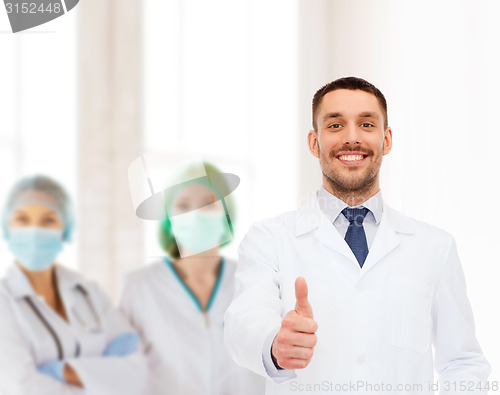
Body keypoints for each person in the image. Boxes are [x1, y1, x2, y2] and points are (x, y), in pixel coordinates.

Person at [224, 77, 491, 395]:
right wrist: (274, 345)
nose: (352, 138)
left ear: (386, 139)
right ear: (314, 142)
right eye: (335, 126)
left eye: (366, 124)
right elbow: (242, 324)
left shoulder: (435, 246)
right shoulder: (269, 238)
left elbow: (463, 363)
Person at [120, 162, 265, 395]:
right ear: (169, 220)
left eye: (208, 204)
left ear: (226, 215)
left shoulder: (255, 283)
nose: (195, 214)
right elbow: (123, 373)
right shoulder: (140, 286)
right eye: (183, 205)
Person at [0, 175, 149, 395]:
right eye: (22, 219)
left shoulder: (88, 291)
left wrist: (60, 371)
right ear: (6, 228)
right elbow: (20, 387)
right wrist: (103, 378)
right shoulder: (5, 299)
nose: (34, 231)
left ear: (66, 229)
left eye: (48, 220)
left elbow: (137, 370)